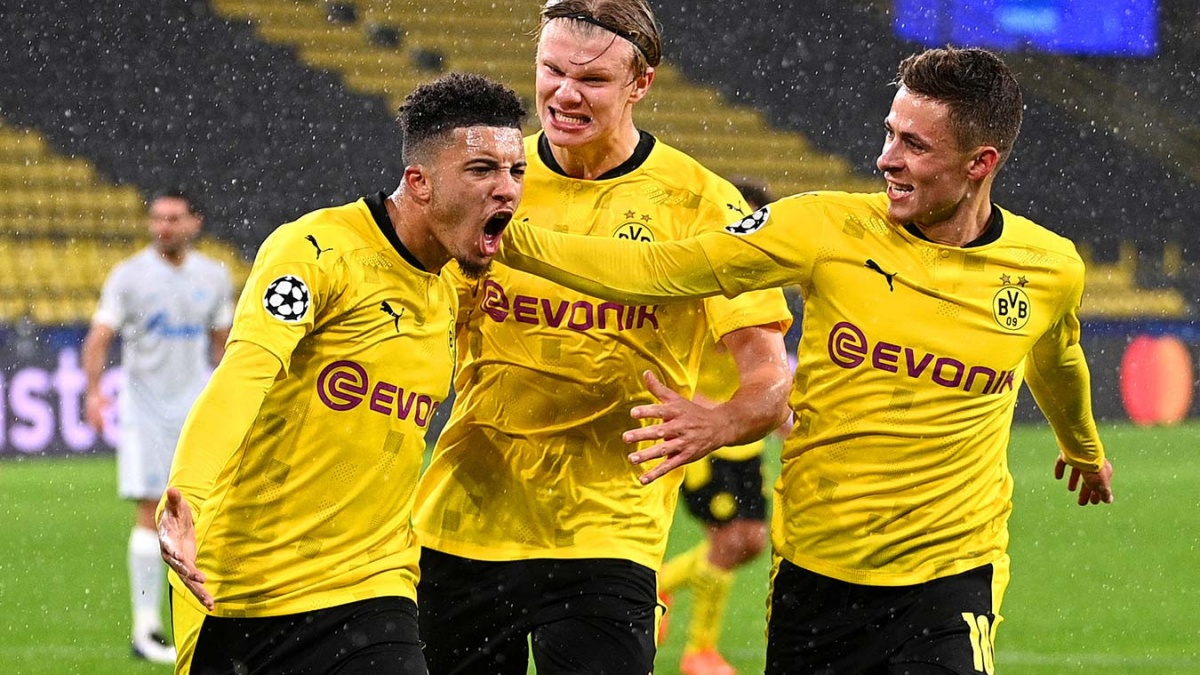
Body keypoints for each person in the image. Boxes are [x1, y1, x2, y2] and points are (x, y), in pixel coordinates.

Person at [497, 46, 1116, 674]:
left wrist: (1084, 451)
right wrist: (502, 233)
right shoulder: (823, 228)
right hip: (816, 573)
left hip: (952, 574)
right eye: (890, 134)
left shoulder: (1048, 268)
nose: (887, 159)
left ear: (980, 163)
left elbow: (1057, 363)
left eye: (915, 146)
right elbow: (664, 268)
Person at [412, 2, 793, 674]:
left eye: (591, 79)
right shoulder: (486, 184)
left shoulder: (701, 203)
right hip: (465, 518)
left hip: (609, 531)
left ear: (640, 83)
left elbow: (769, 377)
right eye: (552, 70)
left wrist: (722, 421)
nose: (564, 93)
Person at [155, 72, 526, 675]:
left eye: (516, 171)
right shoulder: (318, 251)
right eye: (482, 169)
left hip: (375, 585)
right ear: (420, 182)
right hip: (245, 589)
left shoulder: (455, 287)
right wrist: (187, 497)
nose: (506, 189)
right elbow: (243, 375)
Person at [81, 188, 234, 664]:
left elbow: (224, 344)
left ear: (194, 223)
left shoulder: (213, 276)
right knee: (151, 510)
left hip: (194, 412)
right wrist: (93, 392)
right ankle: (146, 628)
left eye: (172, 218)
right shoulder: (129, 276)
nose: (163, 227)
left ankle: (206, 617)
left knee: (204, 511)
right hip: (145, 413)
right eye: (157, 218)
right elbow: (99, 338)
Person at [657, 177, 778, 675]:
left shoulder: (761, 290)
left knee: (751, 541)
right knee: (730, 542)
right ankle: (699, 652)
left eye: (750, 220)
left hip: (743, 439)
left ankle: (660, 583)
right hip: (705, 438)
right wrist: (702, 406)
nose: (740, 228)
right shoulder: (695, 284)